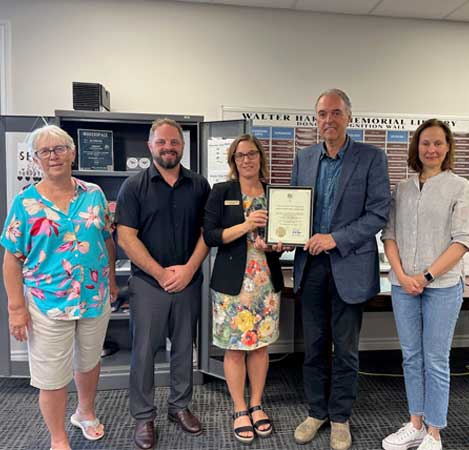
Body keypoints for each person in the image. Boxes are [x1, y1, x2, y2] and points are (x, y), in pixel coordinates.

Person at [1, 124, 118, 450]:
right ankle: (58, 437)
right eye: (45, 151)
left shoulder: (94, 194)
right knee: (52, 376)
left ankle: (85, 412)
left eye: (60, 149)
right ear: (36, 159)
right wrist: (16, 308)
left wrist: (110, 279)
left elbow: (106, 239)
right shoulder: (24, 204)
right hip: (46, 303)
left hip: (94, 298)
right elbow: (12, 260)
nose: (53, 156)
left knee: (89, 361)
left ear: (72, 152)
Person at [291, 88, 391, 450]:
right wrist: (287, 233)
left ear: (349, 116)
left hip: (348, 266)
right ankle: (316, 412)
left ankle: (340, 418)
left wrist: (335, 238)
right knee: (314, 346)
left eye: (335, 113)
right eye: (321, 114)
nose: (327, 120)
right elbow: (294, 209)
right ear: (315, 119)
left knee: (345, 349)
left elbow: (378, 213)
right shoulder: (303, 158)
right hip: (311, 267)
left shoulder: (371, 158)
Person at [380, 119, 469, 450]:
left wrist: (426, 276)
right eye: (425, 143)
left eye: (437, 143)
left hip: (443, 286)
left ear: (448, 147)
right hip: (402, 285)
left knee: (435, 358)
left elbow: (462, 240)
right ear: (416, 148)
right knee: (410, 355)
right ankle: (416, 423)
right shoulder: (402, 189)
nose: (431, 149)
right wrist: (403, 275)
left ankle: (435, 432)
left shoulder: (459, 187)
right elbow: (388, 235)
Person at [115, 118, 210, 449]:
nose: (168, 147)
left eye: (174, 142)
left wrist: (188, 269)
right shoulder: (133, 187)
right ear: (150, 145)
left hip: (188, 281)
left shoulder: (199, 185)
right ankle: (144, 417)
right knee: (144, 351)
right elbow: (126, 237)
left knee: (184, 348)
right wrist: (160, 273)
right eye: (162, 142)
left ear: (183, 146)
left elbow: (206, 234)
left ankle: (179, 407)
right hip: (148, 285)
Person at [204, 134, 285, 444]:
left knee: (260, 346)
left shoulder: (275, 194)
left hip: (265, 282)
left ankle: (257, 404)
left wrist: (277, 245)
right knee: (235, 347)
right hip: (232, 286)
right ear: (233, 161)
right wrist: (247, 225)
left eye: (252, 154)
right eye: (240, 156)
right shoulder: (222, 192)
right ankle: (239, 408)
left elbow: (282, 240)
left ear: (260, 157)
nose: (247, 160)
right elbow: (211, 235)